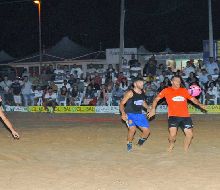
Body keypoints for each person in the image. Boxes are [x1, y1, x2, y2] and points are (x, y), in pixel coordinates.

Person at [147, 75, 206, 152]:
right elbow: (156, 99)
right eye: (176, 80)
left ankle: (185, 150)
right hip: (173, 116)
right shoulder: (166, 90)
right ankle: (171, 144)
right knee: (172, 135)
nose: (178, 82)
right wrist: (153, 109)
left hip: (185, 116)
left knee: (190, 134)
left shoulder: (184, 90)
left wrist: (200, 104)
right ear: (171, 82)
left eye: (179, 80)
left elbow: (193, 99)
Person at [119, 77, 150, 152]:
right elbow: (121, 103)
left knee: (147, 132)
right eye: (140, 82)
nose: (142, 84)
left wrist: (148, 108)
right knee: (132, 130)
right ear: (135, 84)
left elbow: (142, 102)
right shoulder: (130, 93)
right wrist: (123, 113)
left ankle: (139, 143)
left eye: (142, 82)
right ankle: (129, 143)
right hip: (130, 114)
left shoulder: (143, 91)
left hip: (139, 114)